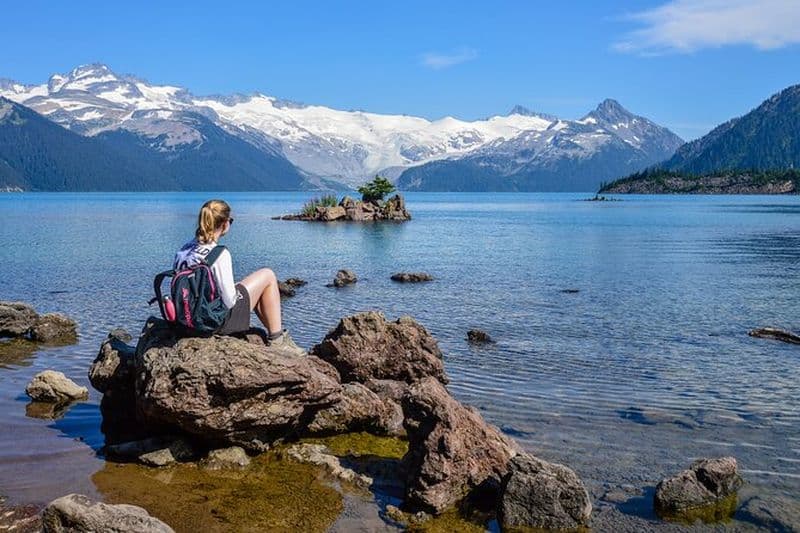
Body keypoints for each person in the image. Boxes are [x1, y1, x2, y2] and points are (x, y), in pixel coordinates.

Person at [174, 199, 304, 355]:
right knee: (268, 275)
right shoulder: (219, 254)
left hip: (187, 320)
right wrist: (238, 291)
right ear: (225, 224)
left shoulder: (185, 249)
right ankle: (277, 340)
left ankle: (275, 335)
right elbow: (229, 301)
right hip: (213, 321)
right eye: (231, 221)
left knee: (245, 286)